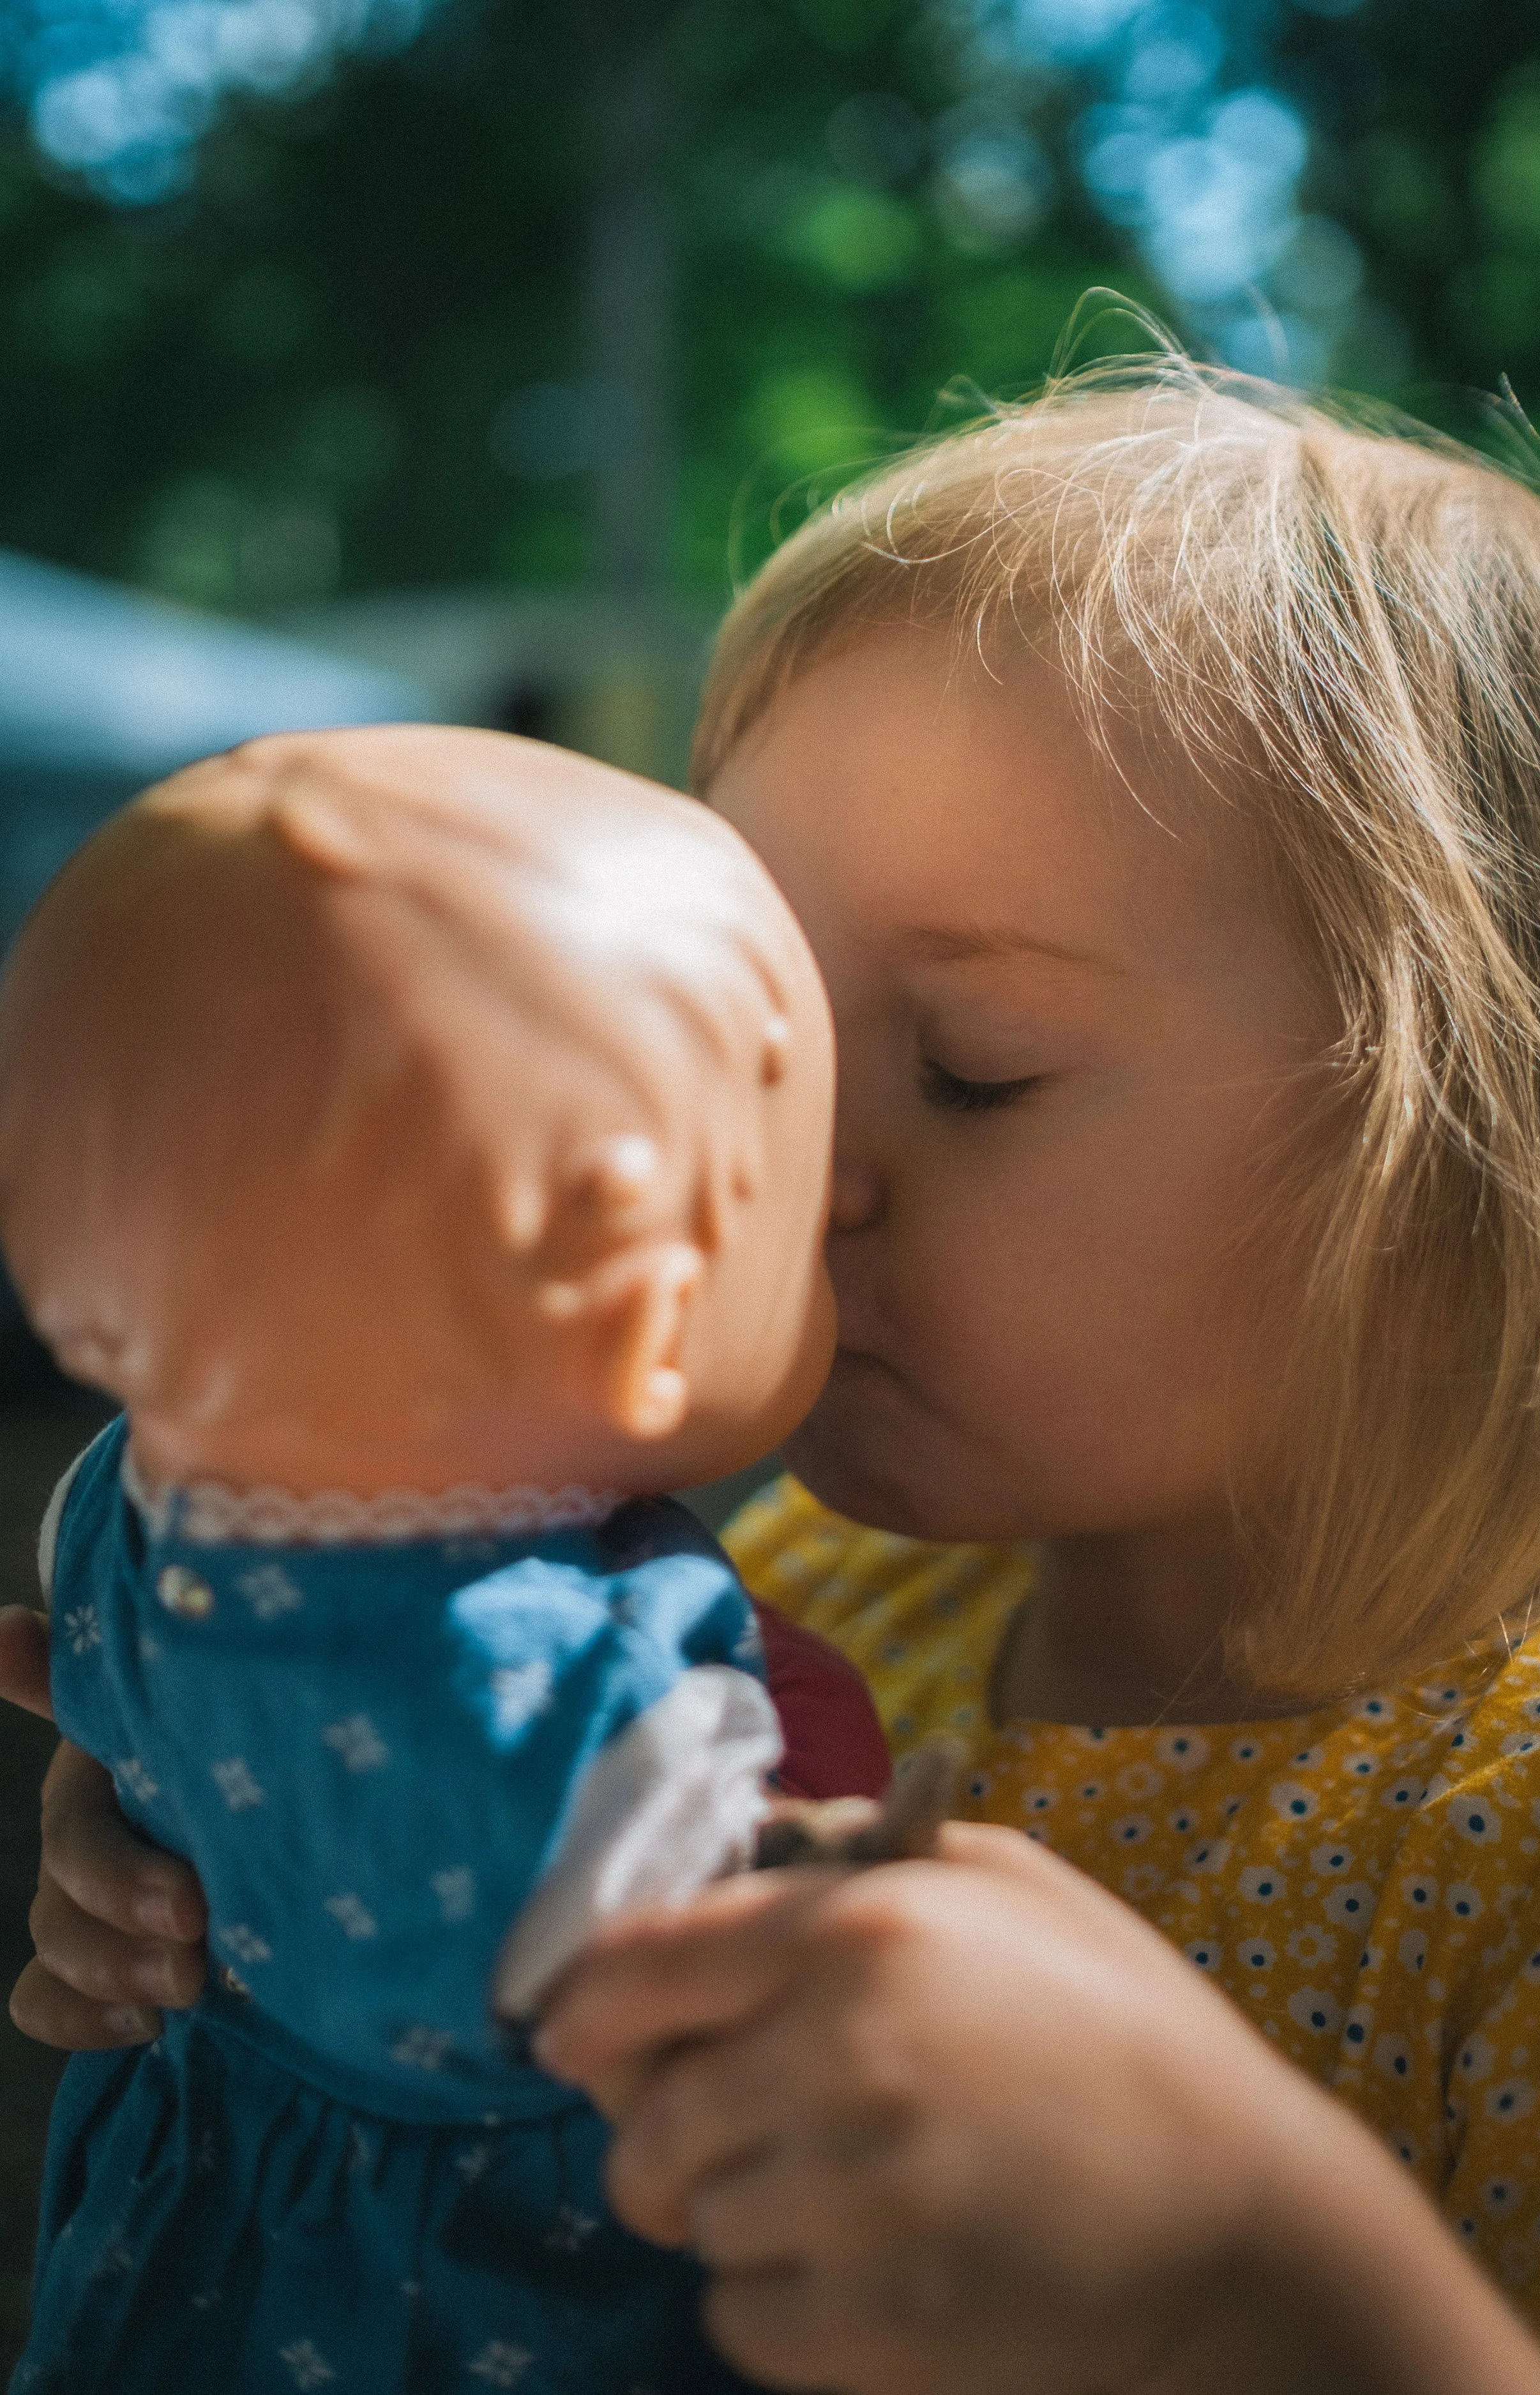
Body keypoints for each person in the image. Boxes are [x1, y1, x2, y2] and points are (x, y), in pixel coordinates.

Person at [10, 358, 1540, 2394]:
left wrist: (1247, 2280)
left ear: (1480, 1179)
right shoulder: (808, 1599)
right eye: (761, 1043)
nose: (781, 1164)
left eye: (971, 1066)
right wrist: (264, 1831)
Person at [0, 724, 889, 2395]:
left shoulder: (108, 1513)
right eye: (803, 1211)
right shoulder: (583, 1702)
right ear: (648, 1318)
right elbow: (746, 1935)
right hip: (492, 2277)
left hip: (196, 2191)